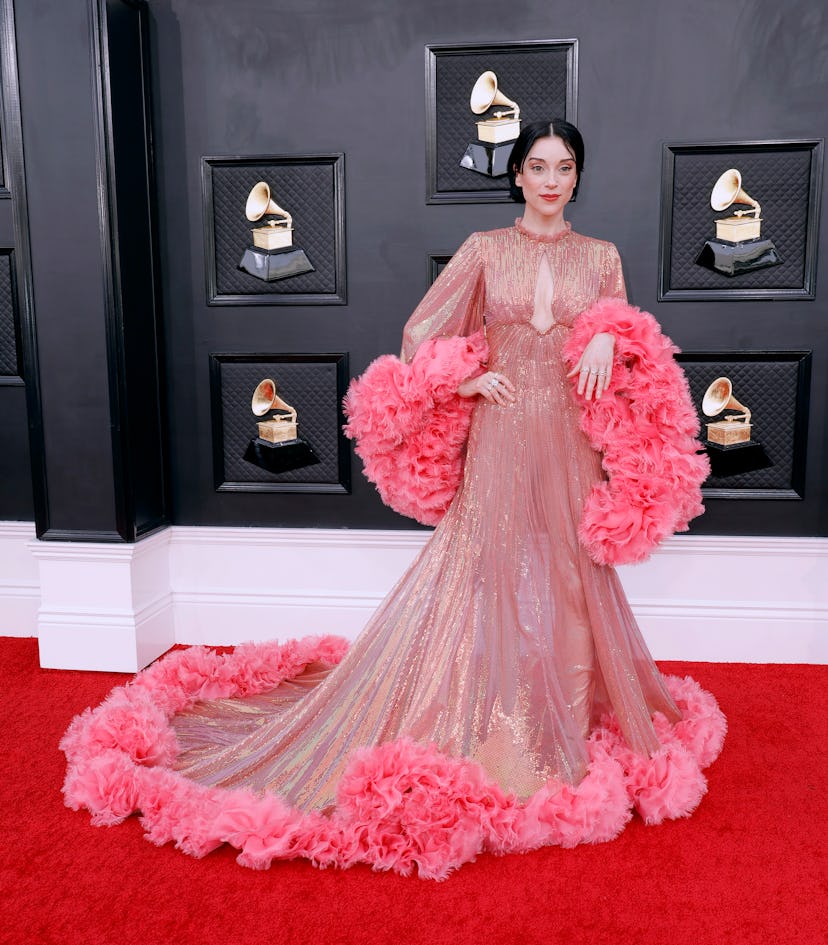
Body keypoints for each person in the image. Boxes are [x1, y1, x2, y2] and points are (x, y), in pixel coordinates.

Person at [61, 120, 725, 880]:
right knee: (494, 576)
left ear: (578, 176)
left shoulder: (601, 258)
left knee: (575, 583)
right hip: (503, 437)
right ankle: (500, 724)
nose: (550, 179)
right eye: (537, 166)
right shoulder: (483, 250)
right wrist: (467, 380)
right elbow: (423, 332)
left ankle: (562, 734)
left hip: (571, 441)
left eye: (564, 166)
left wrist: (612, 333)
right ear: (516, 177)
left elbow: (629, 347)